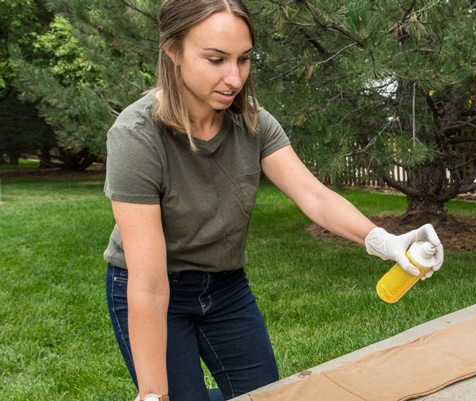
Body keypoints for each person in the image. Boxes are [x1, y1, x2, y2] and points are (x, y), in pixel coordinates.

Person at [102, 1, 444, 401]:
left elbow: (314, 196)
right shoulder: (136, 135)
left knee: (267, 397)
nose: (234, 78)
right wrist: (151, 394)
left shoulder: (253, 122)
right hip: (153, 287)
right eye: (216, 59)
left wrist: (385, 241)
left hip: (226, 287)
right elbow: (149, 284)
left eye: (244, 59)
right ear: (172, 50)